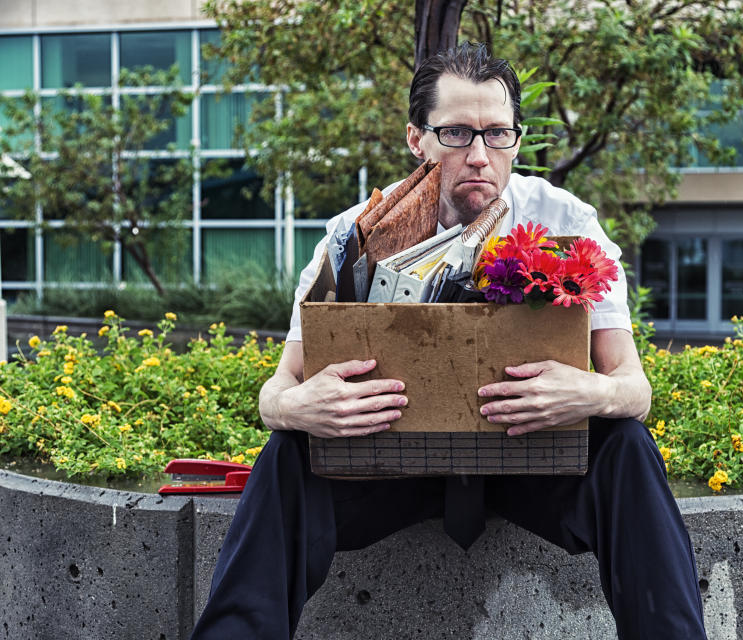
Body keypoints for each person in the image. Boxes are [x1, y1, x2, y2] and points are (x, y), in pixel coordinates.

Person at [191, 42, 707, 640]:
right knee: (288, 453)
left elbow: (633, 387)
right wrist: (292, 406)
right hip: (392, 470)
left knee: (628, 446)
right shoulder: (353, 233)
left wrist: (588, 392)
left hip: (530, 467)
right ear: (419, 140)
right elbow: (277, 388)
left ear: (516, 138)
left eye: (498, 134)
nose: (481, 156)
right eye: (458, 134)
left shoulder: (568, 221)